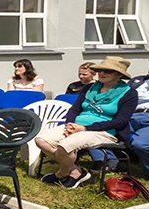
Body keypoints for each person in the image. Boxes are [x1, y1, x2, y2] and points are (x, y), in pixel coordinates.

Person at [35, 56, 137, 189]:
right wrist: (70, 124)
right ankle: (76, 171)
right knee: (41, 140)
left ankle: (62, 173)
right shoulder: (90, 87)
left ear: (119, 75)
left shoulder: (129, 93)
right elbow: (74, 109)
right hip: (76, 126)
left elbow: (120, 121)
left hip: (104, 131)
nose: (102, 73)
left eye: (107, 71)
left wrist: (85, 128)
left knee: (65, 146)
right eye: (100, 70)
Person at [128, 70, 149, 176]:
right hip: (129, 115)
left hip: (147, 116)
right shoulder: (137, 80)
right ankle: (112, 162)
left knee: (140, 144)